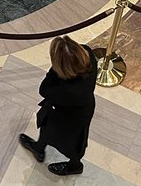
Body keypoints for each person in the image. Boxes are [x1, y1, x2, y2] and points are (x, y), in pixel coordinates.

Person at [17, 36, 97, 176]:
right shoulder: (88, 55)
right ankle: (39, 148)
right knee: (58, 133)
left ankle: (75, 166)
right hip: (83, 109)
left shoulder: (68, 91)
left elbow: (44, 89)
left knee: (70, 142)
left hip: (67, 116)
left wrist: (56, 68)